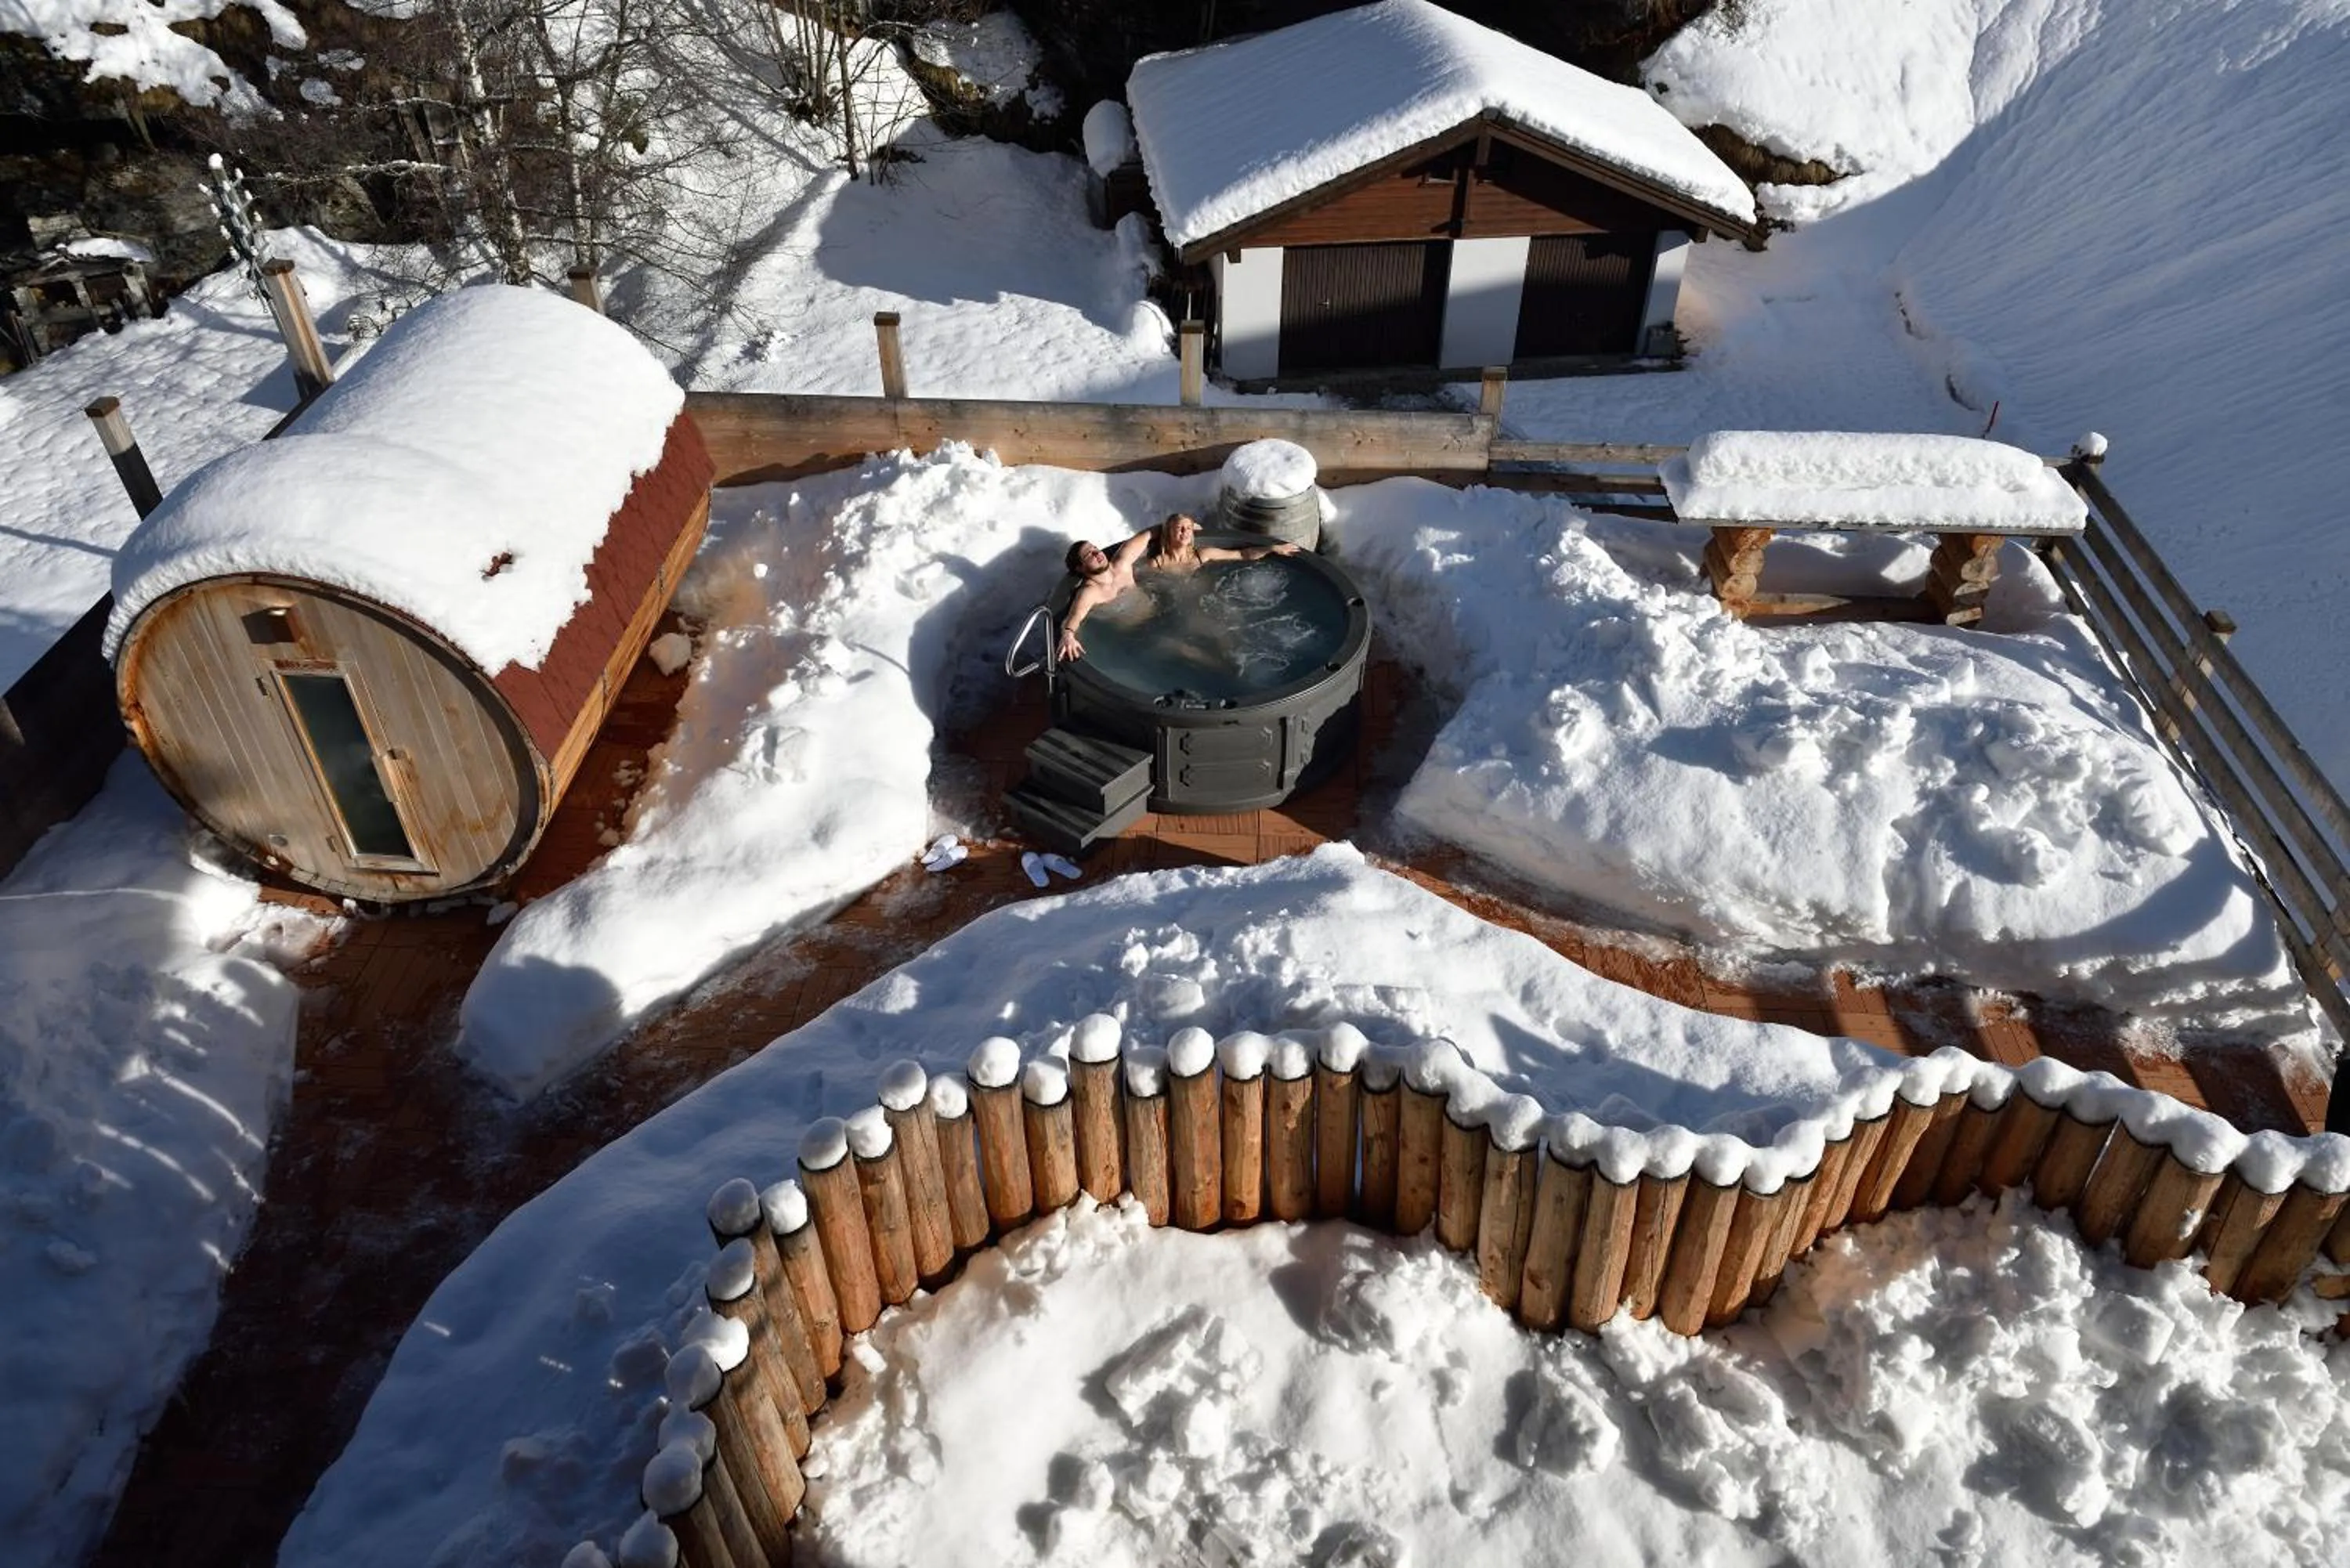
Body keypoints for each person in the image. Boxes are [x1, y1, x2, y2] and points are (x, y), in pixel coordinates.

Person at [1056, 515, 1299, 663]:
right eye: (1089, 555)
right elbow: (1075, 615)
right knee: (1184, 649)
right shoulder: (1091, 592)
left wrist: (1185, 527)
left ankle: (1238, 652)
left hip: (1162, 612)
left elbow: (1150, 533)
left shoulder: (1123, 564)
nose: (1097, 553)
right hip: (1137, 633)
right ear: (1080, 568)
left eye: (1095, 548)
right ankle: (1228, 668)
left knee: (1211, 624)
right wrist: (1068, 634)